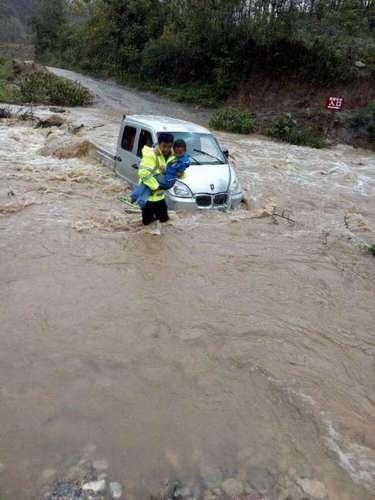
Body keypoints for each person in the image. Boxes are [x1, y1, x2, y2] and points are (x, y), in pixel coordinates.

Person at [131, 139, 190, 210]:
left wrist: (180, 172)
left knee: (147, 180)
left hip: (167, 181)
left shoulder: (180, 160)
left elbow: (181, 171)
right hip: (167, 181)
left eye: (180, 152)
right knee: (149, 185)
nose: (177, 154)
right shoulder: (174, 157)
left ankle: (134, 197)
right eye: (176, 151)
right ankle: (140, 203)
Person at [136, 133, 175, 227]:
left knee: (164, 223)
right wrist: (155, 186)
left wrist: (181, 174)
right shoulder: (151, 155)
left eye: (169, 147)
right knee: (147, 227)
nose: (166, 149)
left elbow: (174, 172)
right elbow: (143, 173)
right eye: (164, 146)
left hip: (160, 198)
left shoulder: (172, 157)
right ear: (159, 144)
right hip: (147, 198)